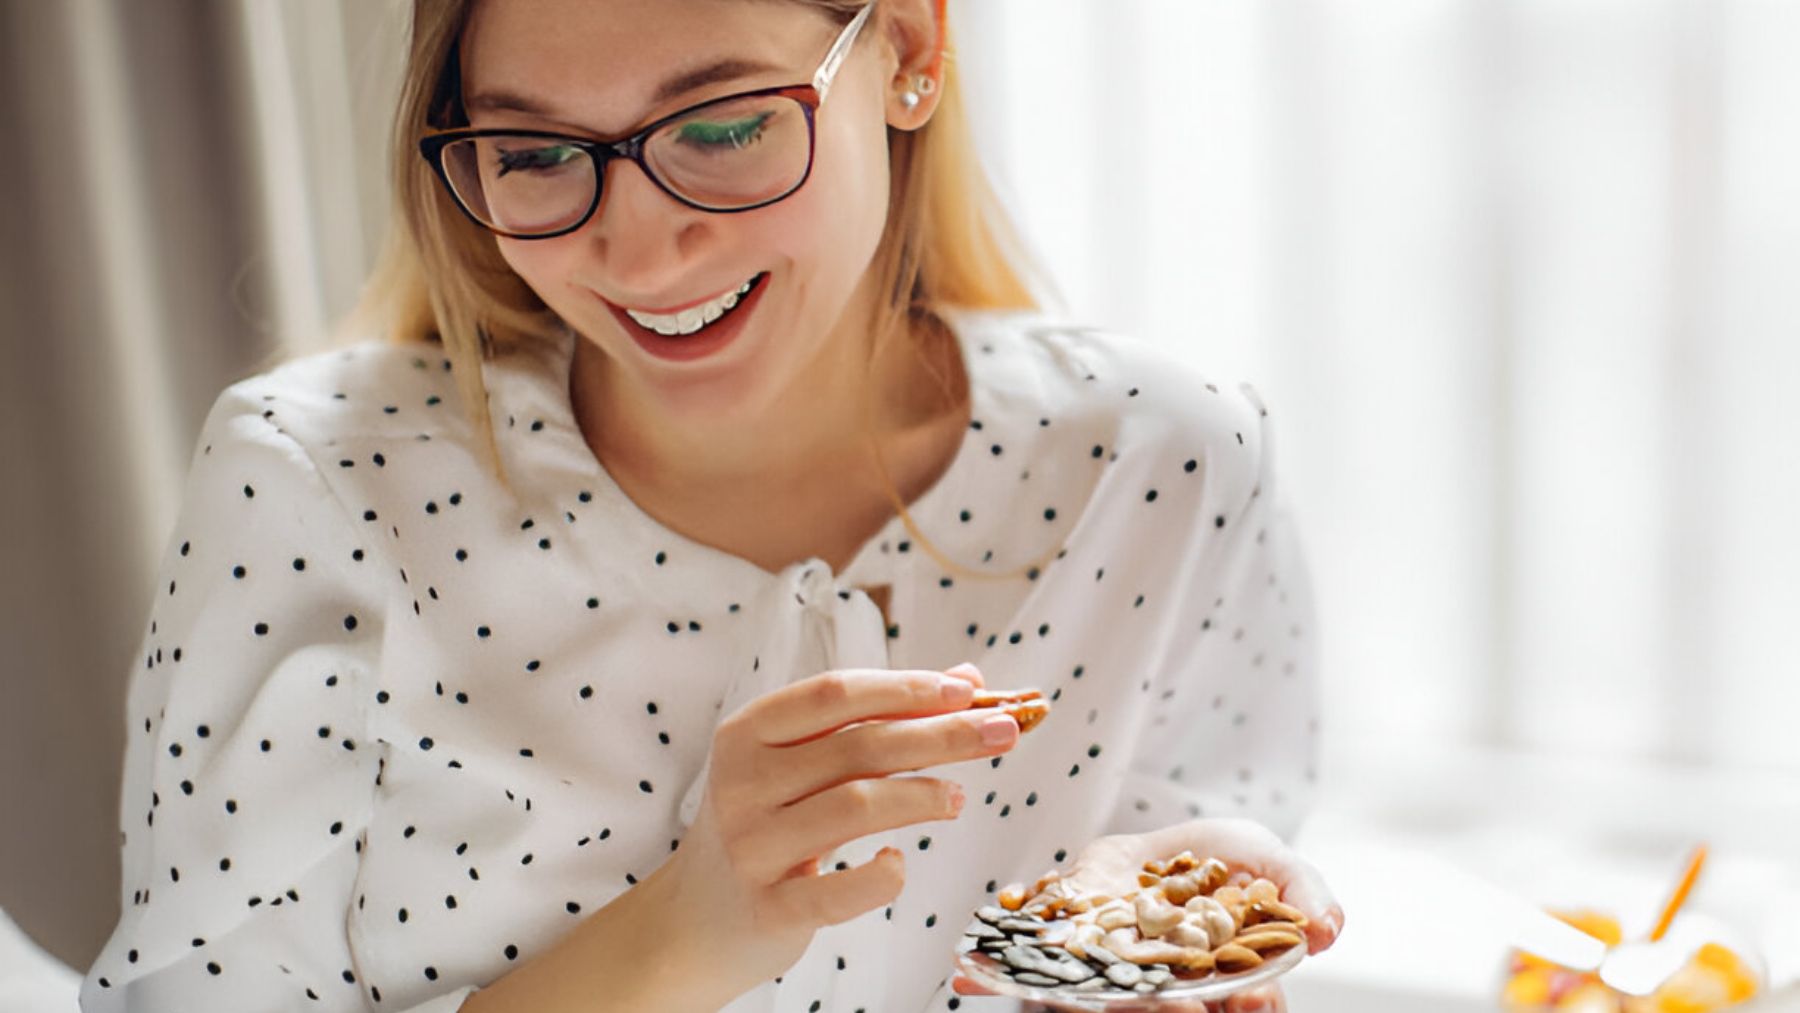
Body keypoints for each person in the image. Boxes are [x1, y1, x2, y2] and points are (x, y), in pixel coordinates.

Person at [79, 0, 1341, 1010]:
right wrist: (684, 934)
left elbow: (1172, 881)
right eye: (531, 153)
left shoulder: (1167, 460)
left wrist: (1178, 931)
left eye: (722, 128)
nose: (637, 253)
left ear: (908, 48)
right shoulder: (319, 480)